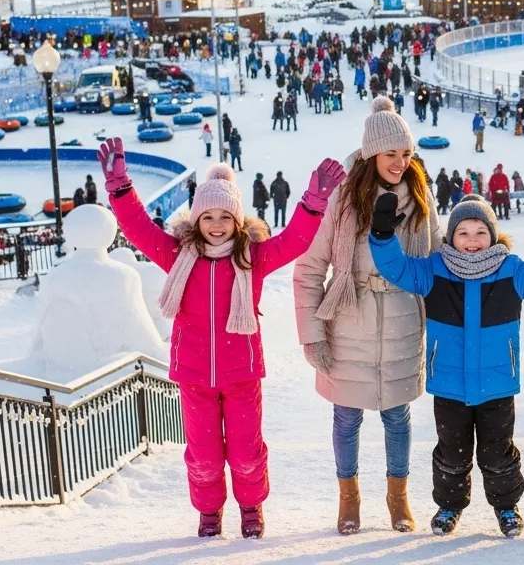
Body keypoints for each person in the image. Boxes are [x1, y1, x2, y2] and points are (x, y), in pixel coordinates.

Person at [99, 139, 344, 540]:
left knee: (247, 451)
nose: (216, 225)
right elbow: (138, 229)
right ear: (196, 220)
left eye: (224, 217)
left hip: (241, 373)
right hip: (195, 376)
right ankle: (209, 512)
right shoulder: (178, 255)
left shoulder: (253, 257)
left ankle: (251, 507)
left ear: (237, 220)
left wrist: (314, 201)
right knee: (204, 454)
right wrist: (120, 188)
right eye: (207, 216)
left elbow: (296, 241)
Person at [369, 193, 524, 537]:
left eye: (480, 232)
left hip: (497, 384)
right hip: (450, 385)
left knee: (497, 454)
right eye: (463, 232)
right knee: (452, 454)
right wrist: (382, 235)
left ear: (493, 236)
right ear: (450, 237)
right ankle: (449, 506)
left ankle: (507, 506)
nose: (471, 240)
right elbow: (397, 267)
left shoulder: (510, 271)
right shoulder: (434, 271)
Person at [293, 96, 442, 537]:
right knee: (347, 417)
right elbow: (309, 268)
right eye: (391, 153)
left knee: (397, 417)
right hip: (349, 318)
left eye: (406, 154)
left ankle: (398, 498)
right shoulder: (343, 200)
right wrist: (312, 334)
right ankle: (349, 499)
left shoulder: (419, 196)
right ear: (371, 152)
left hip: (401, 319)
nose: (399, 162)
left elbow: (435, 262)